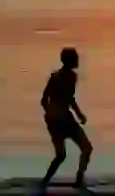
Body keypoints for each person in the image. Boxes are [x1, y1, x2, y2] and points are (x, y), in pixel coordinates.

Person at [39, 47, 94, 193]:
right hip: (57, 122)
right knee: (61, 155)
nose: (78, 61)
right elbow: (44, 100)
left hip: (67, 120)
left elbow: (70, 99)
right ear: (70, 61)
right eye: (76, 58)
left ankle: (79, 180)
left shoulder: (73, 77)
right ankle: (44, 182)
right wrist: (51, 115)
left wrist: (79, 115)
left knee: (86, 148)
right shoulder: (55, 77)